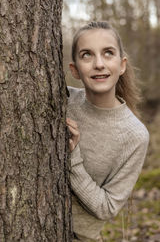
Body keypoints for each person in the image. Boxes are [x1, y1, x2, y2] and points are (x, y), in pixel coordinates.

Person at [66, 21, 149, 242]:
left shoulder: (135, 135)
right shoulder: (62, 101)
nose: (99, 64)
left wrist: (72, 158)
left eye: (108, 53)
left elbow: (108, 207)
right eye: (87, 55)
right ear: (74, 69)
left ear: (122, 65)